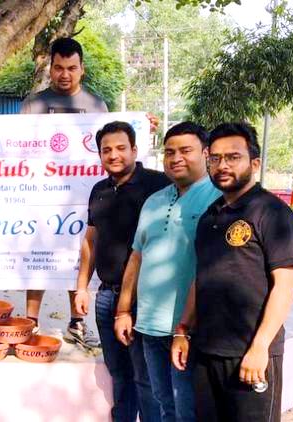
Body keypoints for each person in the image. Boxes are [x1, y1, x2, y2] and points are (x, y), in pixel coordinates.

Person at [20, 37, 159, 347]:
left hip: (83, 191)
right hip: (42, 192)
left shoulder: (97, 105)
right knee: (38, 254)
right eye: (59, 68)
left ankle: (76, 322)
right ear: (50, 68)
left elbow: (114, 138)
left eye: (71, 68)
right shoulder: (32, 104)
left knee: (79, 252)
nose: (65, 74)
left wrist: (142, 125)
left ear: (82, 69)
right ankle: (30, 322)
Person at [171, 122, 293, 422]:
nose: (222, 165)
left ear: (255, 163)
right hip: (206, 351)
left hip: (250, 354)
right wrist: (182, 330)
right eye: (215, 158)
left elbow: (285, 284)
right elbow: (201, 277)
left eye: (233, 157)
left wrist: (260, 347)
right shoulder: (210, 216)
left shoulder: (271, 212)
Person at [113, 121, 220, 422]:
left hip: (190, 330)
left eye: (186, 150)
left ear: (206, 154)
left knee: (188, 411)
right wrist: (123, 311)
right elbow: (137, 256)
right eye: (169, 152)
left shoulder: (218, 200)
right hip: (149, 325)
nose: (176, 158)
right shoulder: (154, 201)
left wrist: (185, 327)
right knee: (164, 405)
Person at [73, 121, 168, 421]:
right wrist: (81, 287)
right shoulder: (99, 190)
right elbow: (91, 241)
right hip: (106, 297)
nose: (113, 155)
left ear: (135, 150)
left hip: (145, 299)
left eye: (120, 148)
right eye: (106, 150)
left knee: (146, 377)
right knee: (119, 373)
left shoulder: (159, 185)